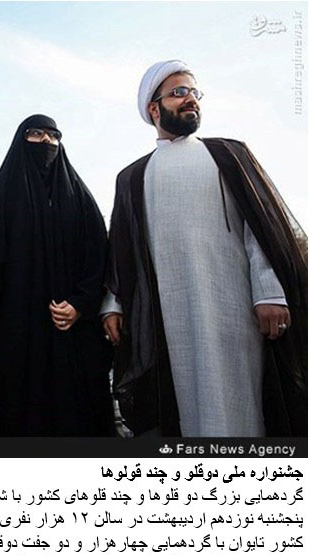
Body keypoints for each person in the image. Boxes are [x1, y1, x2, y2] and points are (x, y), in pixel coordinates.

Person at [102, 60, 307, 437]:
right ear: (154, 108)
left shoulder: (228, 155)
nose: (190, 99)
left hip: (234, 310)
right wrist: (113, 305)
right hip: (168, 321)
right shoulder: (132, 177)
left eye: (194, 92)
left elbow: (260, 231)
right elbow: (122, 250)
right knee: (183, 414)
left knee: (242, 409)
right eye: (179, 92)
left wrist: (269, 292)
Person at [0, 114, 114, 436]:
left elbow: (98, 256)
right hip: (17, 332)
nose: (46, 141)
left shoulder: (79, 197)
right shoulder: (1, 200)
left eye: (53, 135)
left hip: (73, 330)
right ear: (21, 139)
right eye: (36, 134)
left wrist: (79, 304)